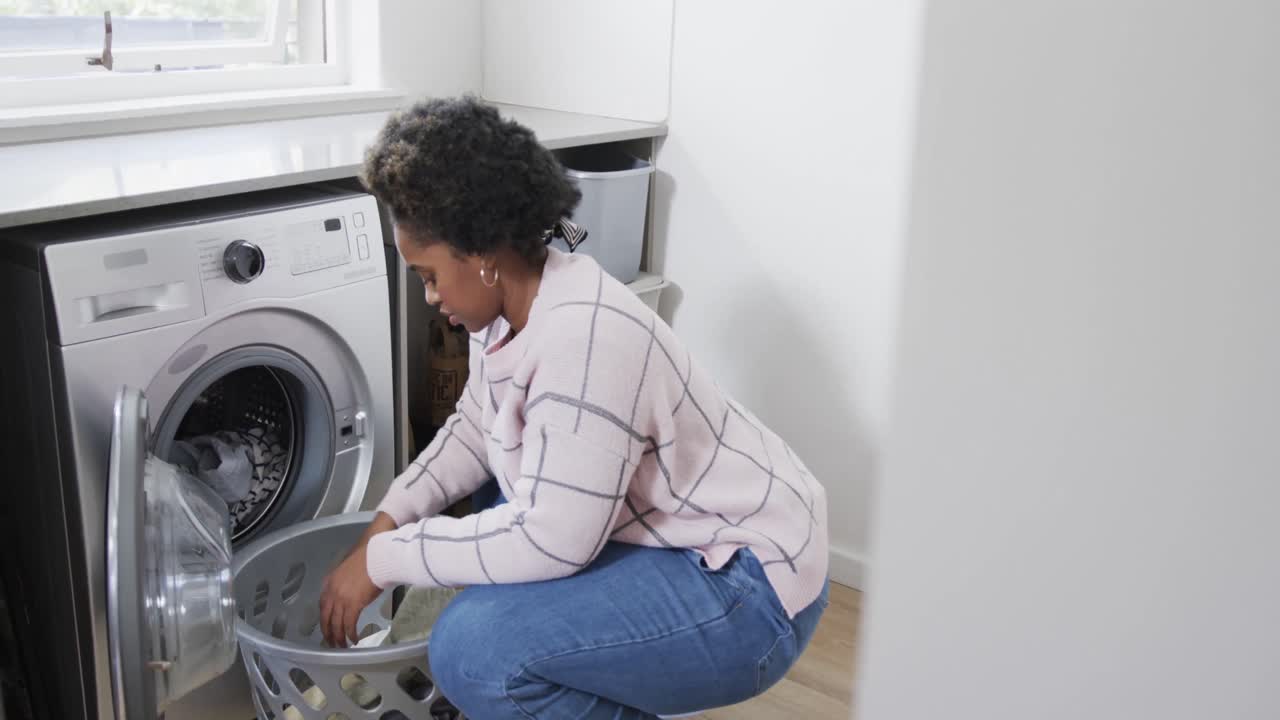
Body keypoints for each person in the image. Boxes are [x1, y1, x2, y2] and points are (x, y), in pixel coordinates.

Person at [319, 96, 830, 719]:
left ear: (481, 255)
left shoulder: (585, 338)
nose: (428, 297)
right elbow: (479, 427)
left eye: (428, 276)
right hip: (685, 532)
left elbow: (553, 539)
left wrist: (387, 561)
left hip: (748, 585)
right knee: (493, 495)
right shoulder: (509, 305)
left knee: (475, 652)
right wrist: (389, 518)